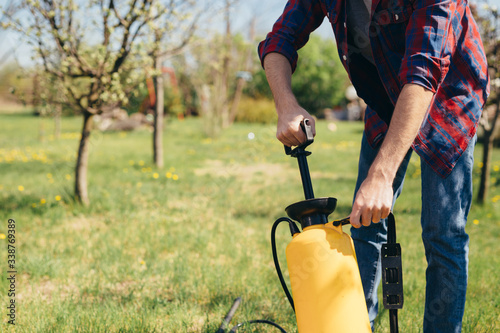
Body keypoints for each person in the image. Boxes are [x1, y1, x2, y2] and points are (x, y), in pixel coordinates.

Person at [258, 0, 489, 332]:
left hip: (448, 96)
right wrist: (286, 104)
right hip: (386, 97)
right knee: (364, 221)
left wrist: (382, 175)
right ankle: (356, 324)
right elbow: (279, 39)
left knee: (443, 232)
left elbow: (423, 73)